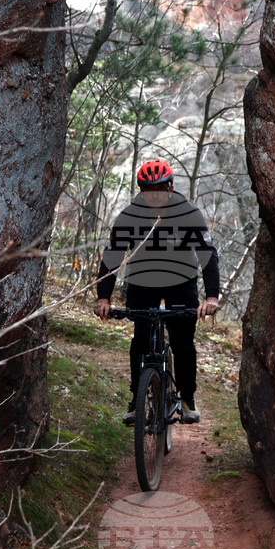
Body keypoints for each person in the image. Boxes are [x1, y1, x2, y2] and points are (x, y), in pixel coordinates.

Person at [94, 159, 219, 425]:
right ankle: (136, 399)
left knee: (182, 341)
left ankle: (187, 397)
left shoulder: (189, 214)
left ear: (171, 187)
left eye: (160, 188)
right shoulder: (129, 216)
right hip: (142, 283)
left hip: (181, 282)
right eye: (148, 189)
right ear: (140, 190)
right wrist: (103, 297)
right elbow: (113, 256)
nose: (155, 194)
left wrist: (211, 298)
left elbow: (208, 255)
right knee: (140, 340)